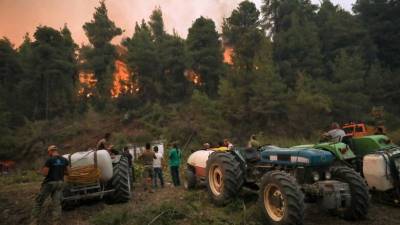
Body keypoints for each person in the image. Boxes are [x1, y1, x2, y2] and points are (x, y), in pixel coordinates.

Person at [31, 145, 69, 225]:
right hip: (60, 183)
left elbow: (45, 174)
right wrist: (60, 170)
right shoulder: (64, 160)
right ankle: (56, 222)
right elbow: (67, 172)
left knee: (39, 201)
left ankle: (34, 221)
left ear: (50, 151)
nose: (49, 153)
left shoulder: (49, 160)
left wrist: (40, 171)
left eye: (49, 152)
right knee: (57, 204)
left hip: (50, 184)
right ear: (56, 150)